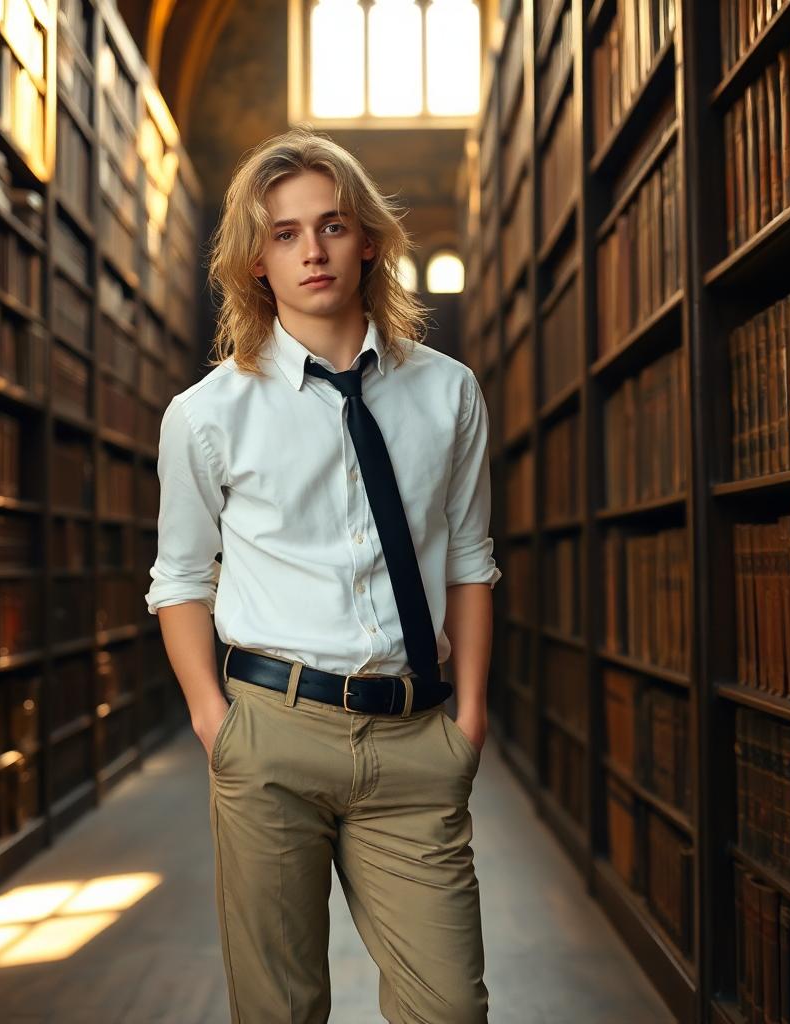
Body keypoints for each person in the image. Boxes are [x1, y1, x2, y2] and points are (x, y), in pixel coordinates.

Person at [145, 126, 500, 1023]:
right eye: (285, 232)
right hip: (270, 735)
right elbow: (180, 577)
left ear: (369, 239)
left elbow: (468, 557)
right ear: (256, 260)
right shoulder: (206, 414)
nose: (312, 249)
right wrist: (215, 723)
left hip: (416, 737)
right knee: (281, 1011)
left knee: (451, 1009)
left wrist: (469, 714)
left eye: (332, 226)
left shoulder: (447, 390)